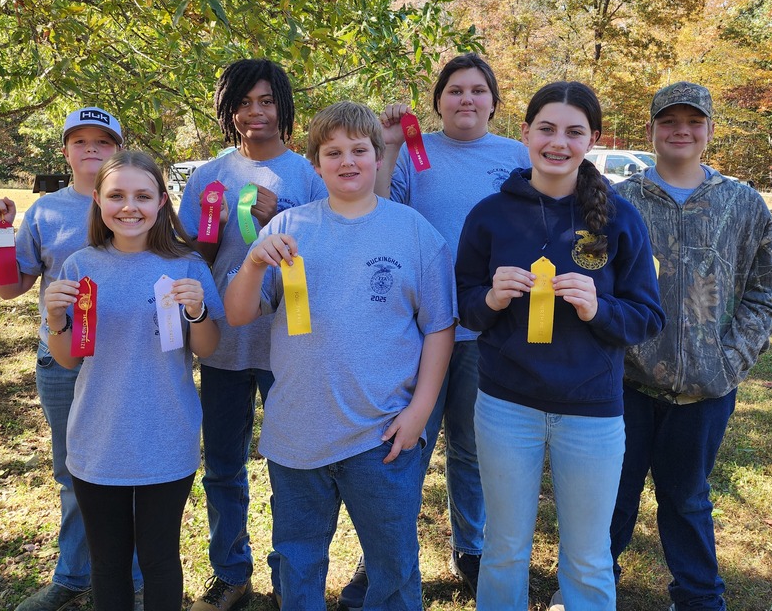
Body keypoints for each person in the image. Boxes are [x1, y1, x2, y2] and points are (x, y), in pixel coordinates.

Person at [224, 100, 456, 611]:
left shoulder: (414, 232)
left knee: (392, 566)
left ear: (378, 156)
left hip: (382, 435)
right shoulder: (288, 228)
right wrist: (251, 265)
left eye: (359, 150)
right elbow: (239, 315)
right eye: (333, 152)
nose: (347, 161)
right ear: (315, 163)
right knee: (297, 560)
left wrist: (418, 412)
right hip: (297, 435)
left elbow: (440, 328)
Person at [456, 81, 665, 611]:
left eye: (574, 132)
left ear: (592, 139)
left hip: (591, 411)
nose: (558, 142)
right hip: (506, 406)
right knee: (503, 549)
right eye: (546, 129)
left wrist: (600, 309)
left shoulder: (618, 217)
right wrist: (493, 298)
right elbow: (465, 308)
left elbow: (647, 317)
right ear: (524, 132)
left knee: (588, 554)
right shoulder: (488, 215)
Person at [334, 53, 529, 606]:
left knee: (471, 449)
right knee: (401, 447)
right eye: (454, 91)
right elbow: (376, 204)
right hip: (414, 330)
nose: (466, 100)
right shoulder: (414, 153)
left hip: (487, 330)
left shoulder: (515, 157)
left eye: (477, 91)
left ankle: (472, 549)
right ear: (437, 100)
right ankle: (382, 561)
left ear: (493, 101)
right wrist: (391, 140)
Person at [609, 82, 772, 611]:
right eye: (669, 121)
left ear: (709, 131)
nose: (680, 131)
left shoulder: (741, 202)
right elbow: (595, 279)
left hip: (705, 392)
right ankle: (589, 587)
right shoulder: (622, 201)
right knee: (611, 497)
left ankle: (698, 597)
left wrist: (731, 358)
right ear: (651, 130)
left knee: (686, 499)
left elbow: (770, 286)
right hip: (626, 385)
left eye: (693, 121)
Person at [0, 107, 146, 611]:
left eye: (104, 141)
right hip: (63, 359)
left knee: (129, 470)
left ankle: (132, 582)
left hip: (129, 363)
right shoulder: (46, 212)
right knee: (72, 472)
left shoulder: (138, 201)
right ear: (67, 150)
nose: (92, 149)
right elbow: (10, 286)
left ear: (119, 149)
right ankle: (72, 578)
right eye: (80, 141)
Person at [43, 150, 222, 611]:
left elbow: (207, 348)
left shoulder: (186, 265)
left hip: (167, 434)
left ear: (162, 201)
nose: (129, 207)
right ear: (98, 202)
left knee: (160, 557)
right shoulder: (80, 266)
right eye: (116, 195)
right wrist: (56, 319)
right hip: (98, 438)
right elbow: (67, 360)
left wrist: (198, 311)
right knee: (109, 562)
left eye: (142, 196)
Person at [178, 59, 327, 610]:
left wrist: (277, 217)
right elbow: (198, 257)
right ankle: (231, 571)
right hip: (222, 342)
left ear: (282, 107)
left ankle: (291, 574)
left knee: (292, 464)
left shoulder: (308, 177)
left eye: (266, 101)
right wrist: (211, 233)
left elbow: (322, 256)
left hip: (288, 343)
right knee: (222, 463)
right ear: (227, 110)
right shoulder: (206, 176)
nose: (254, 113)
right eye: (243, 103)